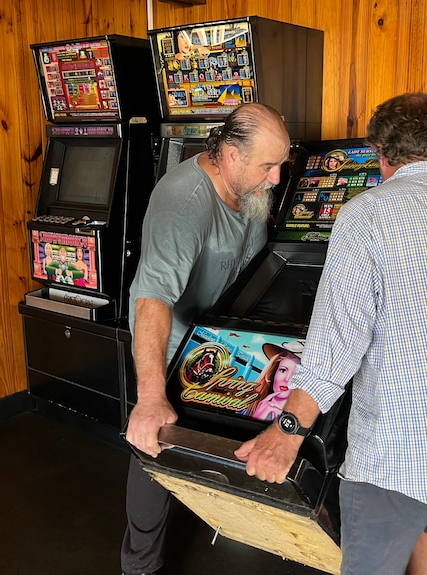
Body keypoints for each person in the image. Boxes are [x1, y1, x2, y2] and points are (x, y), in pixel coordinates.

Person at [235, 93, 427, 575]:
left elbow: (335, 346)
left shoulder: (366, 215)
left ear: (380, 151)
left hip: (399, 451)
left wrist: (288, 430)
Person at [120, 102, 291, 575]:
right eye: (268, 166)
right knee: (155, 444)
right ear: (231, 156)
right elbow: (152, 298)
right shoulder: (184, 201)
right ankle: (139, 566)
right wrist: (151, 396)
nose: (277, 178)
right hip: (171, 349)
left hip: (220, 340)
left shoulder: (250, 189)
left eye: (282, 164)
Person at [252, 342, 302, 421]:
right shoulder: (247, 406)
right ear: (274, 372)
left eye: (295, 373)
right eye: (283, 370)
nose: (287, 379)